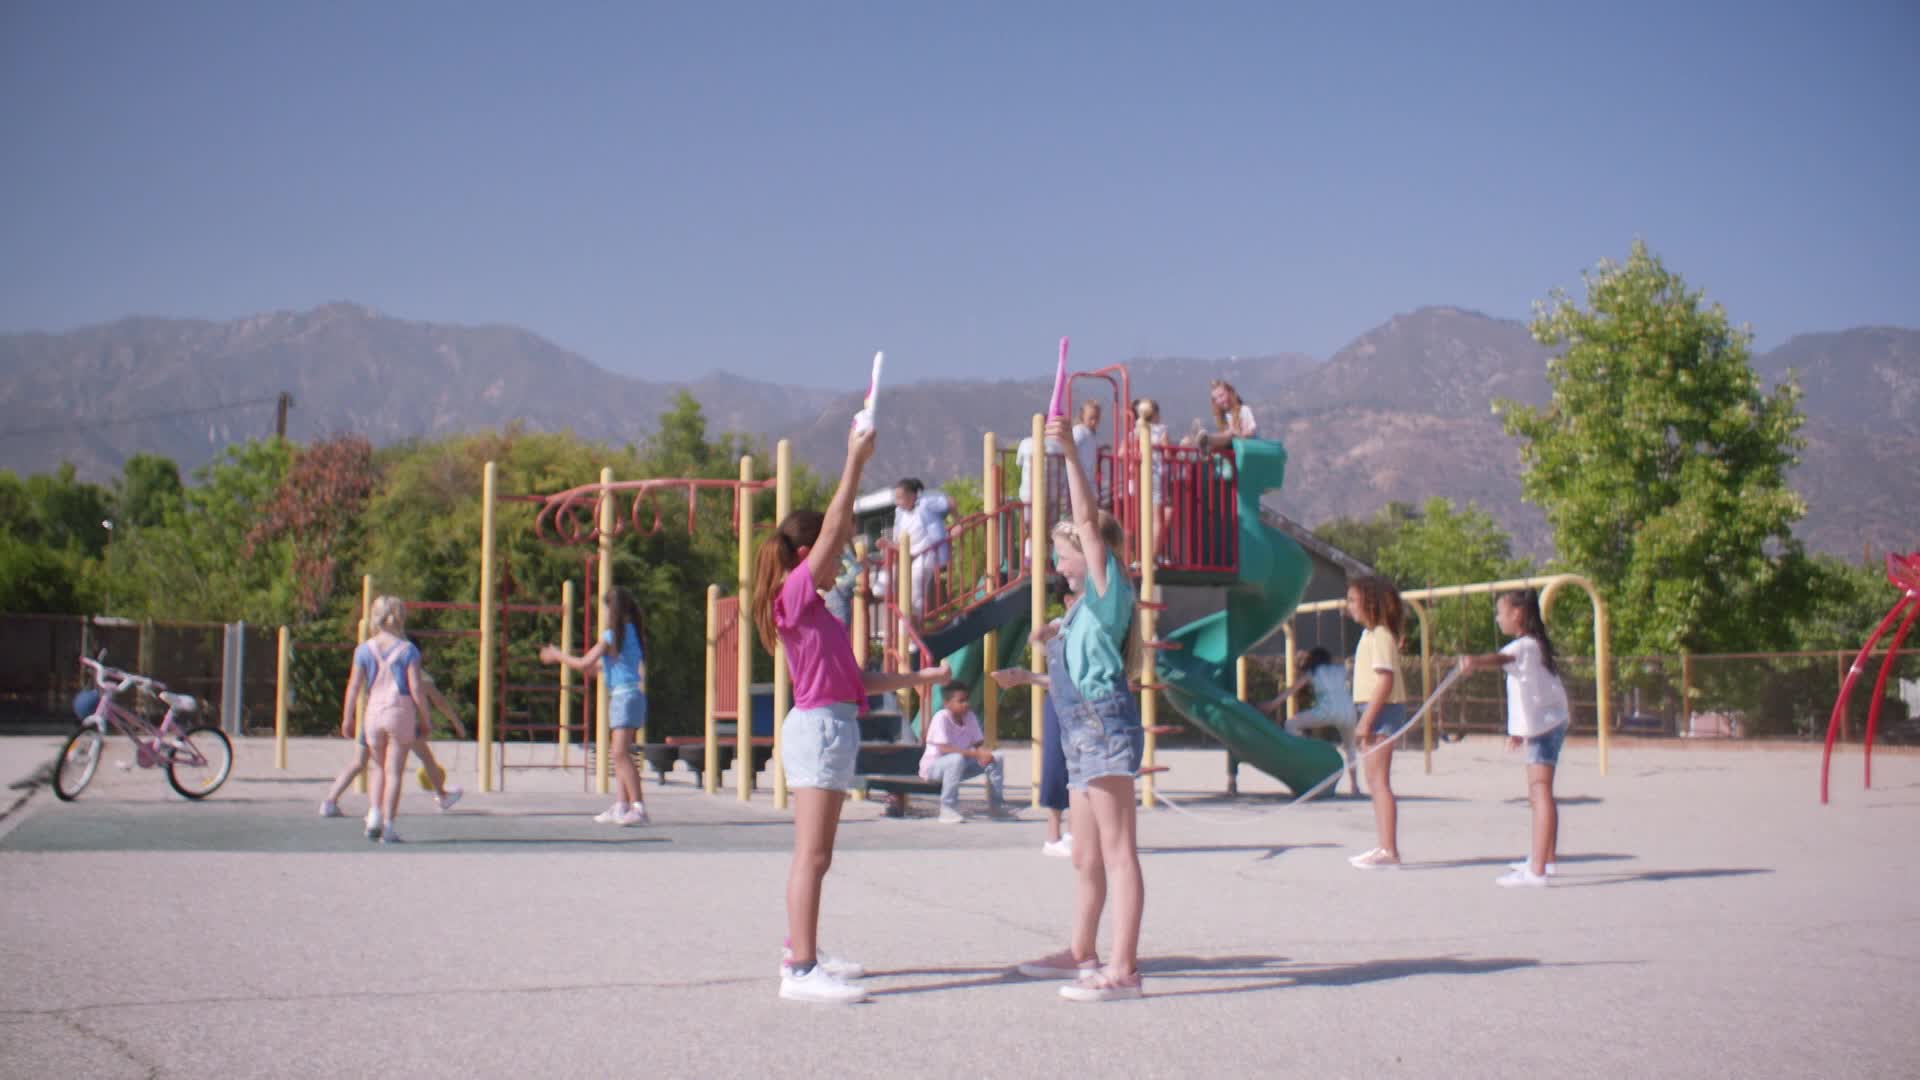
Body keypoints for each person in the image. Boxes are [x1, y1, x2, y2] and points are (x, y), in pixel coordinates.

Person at [754, 422, 950, 1004]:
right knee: (812, 856)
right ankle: (800, 971)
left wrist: (921, 679)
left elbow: (857, 681)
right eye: (831, 549)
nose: (841, 556)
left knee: (820, 857)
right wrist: (854, 462)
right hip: (817, 730)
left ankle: (802, 951)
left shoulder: (817, 612)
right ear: (805, 554)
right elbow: (838, 524)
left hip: (834, 726)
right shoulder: (793, 596)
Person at [994, 413, 1147, 1003]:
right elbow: (1077, 677)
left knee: (1118, 853)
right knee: (1085, 855)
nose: (1058, 565)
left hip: (1105, 729)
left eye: (1065, 555)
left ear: (1093, 552)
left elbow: (1086, 518)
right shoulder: (1081, 610)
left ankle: (1124, 969)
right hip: (1082, 733)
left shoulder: (1110, 591)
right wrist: (1028, 676)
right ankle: (1082, 951)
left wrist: (1068, 455)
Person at [1457, 590, 1570, 887]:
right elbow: (1529, 692)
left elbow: (1501, 658)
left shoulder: (1525, 646)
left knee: (1540, 791)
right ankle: (1546, 859)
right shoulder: (1532, 647)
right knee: (1540, 792)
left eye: (1500, 613)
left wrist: (1474, 661)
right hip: (1545, 724)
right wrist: (1518, 732)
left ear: (1517, 614)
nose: (1498, 619)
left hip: (1546, 726)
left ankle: (1537, 871)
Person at [540, 586, 650, 825]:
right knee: (619, 753)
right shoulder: (632, 632)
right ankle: (622, 804)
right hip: (633, 696)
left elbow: (583, 663)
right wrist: (597, 669)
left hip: (623, 698)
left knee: (619, 753)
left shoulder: (610, 636)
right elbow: (610, 665)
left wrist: (557, 655)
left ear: (612, 610)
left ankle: (638, 806)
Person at [338, 596, 431, 845]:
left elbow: (354, 686)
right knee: (394, 771)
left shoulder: (363, 650)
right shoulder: (408, 650)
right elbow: (415, 688)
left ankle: (374, 815)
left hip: (373, 712)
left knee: (377, 767)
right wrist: (425, 717)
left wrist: (347, 716)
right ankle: (389, 825)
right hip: (399, 710)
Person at [321, 661, 464, 820]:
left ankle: (330, 801)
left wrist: (349, 717)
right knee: (421, 759)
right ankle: (441, 795)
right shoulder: (415, 671)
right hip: (400, 720)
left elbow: (358, 688)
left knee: (359, 763)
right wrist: (456, 722)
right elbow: (439, 701)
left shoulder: (379, 667)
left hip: (373, 719)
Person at [1347, 576, 1408, 869]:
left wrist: (1367, 721)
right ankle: (1383, 845)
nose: (1349, 606)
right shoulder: (1370, 635)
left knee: (1379, 781)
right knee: (1373, 781)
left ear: (1370, 602)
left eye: (1353, 600)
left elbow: (1385, 681)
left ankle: (1389, 850)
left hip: (1382, 711)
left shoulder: (1381, 635)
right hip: (1370, 708)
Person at [1259, 647, 1359, 796]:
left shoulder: (1313, 672)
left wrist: (1273, 704)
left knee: (1291, 724)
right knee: (1350, 748)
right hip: (1349, 712)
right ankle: (1355, 786)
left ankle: (1307, 750)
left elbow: (1292, 690)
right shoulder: (1340, 670)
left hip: (1327, 711)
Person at [919, 683, 1012, 822]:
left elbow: (978, 744)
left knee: (997, 757)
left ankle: (997, 807)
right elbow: (944, 749)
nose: (966, 704)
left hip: (960, 765)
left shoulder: (970, 717)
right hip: (934, 769)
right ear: (947, 704)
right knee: (956, 759)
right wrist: (976, 754)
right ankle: (947, 809)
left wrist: (985, 753)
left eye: (967, 699)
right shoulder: (941, 717)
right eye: (961, 701)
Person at [891, 478, 952, 619]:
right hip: (909, 556)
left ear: (912, 496)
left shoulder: (925, 504)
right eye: (896, 498)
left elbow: (951, 502)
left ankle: (917, 622)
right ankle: (904, 619)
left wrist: (958, 522)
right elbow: (899, 540)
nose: (897, 502)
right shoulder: (900, 513)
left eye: (900, 498)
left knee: (916, 586)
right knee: (890, 582)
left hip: (928, 553)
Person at [1193, 379, 1255, 451]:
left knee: (1230, 435)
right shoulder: (1223, 416)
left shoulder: (1243, 410)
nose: (1220, 401)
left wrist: (1236, 433)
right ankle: (1200, 443)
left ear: (1230, 393)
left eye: (1221, 396)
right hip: (1228, 447)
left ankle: (1206, 440)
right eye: (1216, 399)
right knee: (1187, 441)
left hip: (1245, 447)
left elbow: (1251, 433)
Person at [1071, 400, 1104, 501]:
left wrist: (1100, 449)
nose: (1094, 421)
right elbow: (1072, 446)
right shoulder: (1079, 431)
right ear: (1082, 416)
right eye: (1091, 418)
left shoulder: (1091, 433)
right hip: (1080, 477)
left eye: (1096, 418)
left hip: (1089, 478)